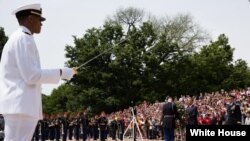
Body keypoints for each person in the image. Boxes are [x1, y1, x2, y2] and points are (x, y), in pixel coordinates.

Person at [0, 3, 77, 141]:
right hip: (20, 105)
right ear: (30, 19)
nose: (41, 24)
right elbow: (32, 75)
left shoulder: (21, 38)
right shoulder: (23, 39)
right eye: (39, 20)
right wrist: (62, 72)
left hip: (21, 105)